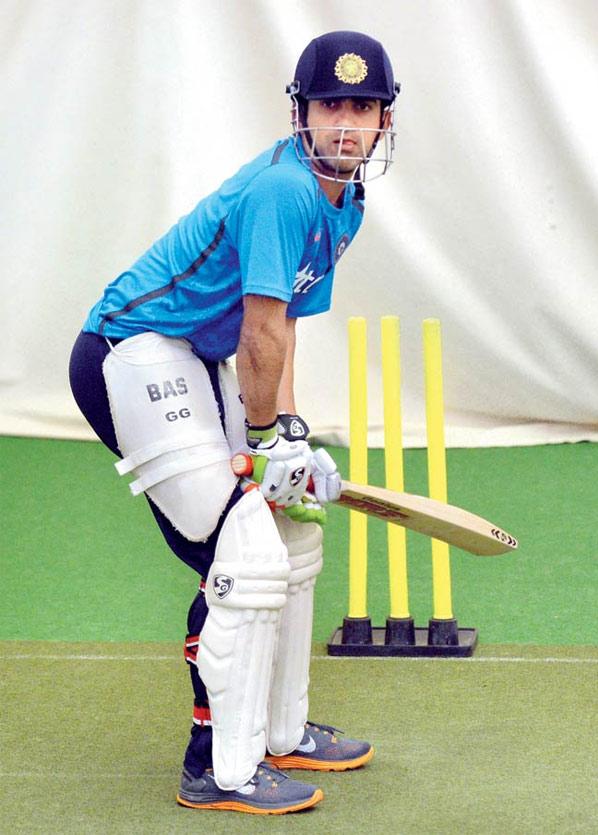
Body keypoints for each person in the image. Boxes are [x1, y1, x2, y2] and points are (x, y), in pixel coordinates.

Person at [69, 29, 400, 815]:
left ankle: (276, 730)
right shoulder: (285, 191)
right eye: (332, 106)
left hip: (198, 356)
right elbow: (256, 328)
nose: (347, 124)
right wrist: (262, 442)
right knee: (242, 553)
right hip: (135, 349)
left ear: (385, 121)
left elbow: (282, 327)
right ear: (302, 113)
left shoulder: (343, 202)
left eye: (364, 107)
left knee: (292, 529)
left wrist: (289, 431)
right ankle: (216, 766)